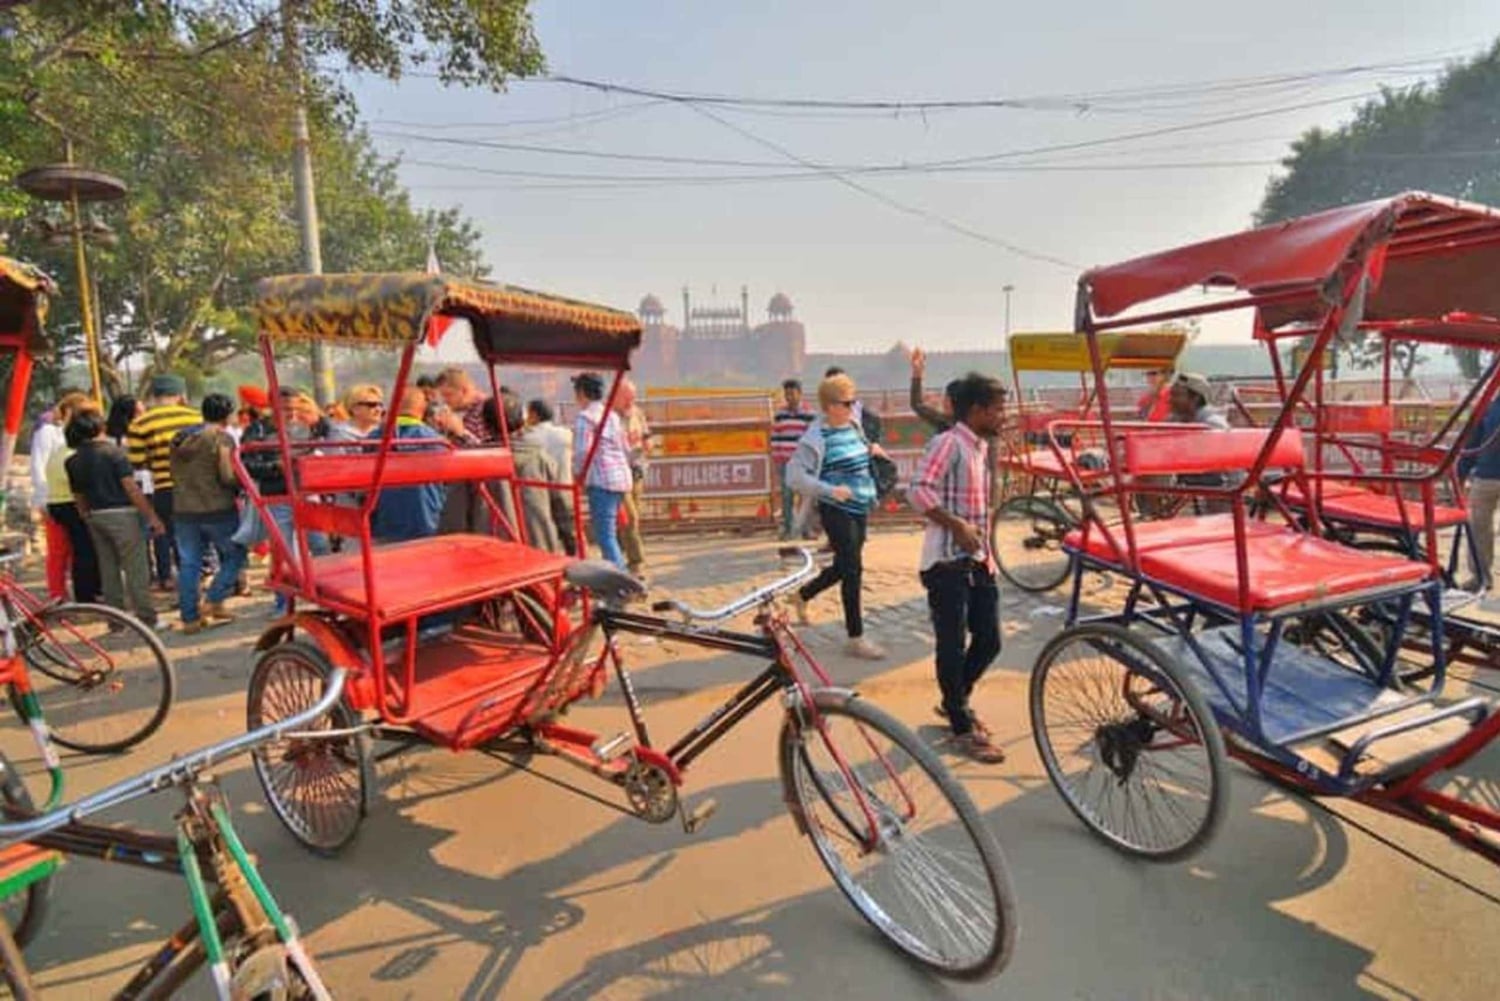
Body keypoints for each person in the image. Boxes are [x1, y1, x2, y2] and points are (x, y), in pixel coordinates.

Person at [909, 373, 1010, 764]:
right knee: (951, 644)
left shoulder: (982, 449)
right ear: (977, 410)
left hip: (978, 559)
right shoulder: (948, 443)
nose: (1002, 416)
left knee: (990, 640)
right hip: (946, 560)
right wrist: (956, 525)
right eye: (997, 409)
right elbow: (918, 490)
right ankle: (960, 723)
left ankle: (955, 703)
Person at [786, 373, 885, 661]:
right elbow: (794, 476)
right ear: (829, 406)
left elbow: (857, 458)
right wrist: (829, 489)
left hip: (860, 507)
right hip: (835, 510)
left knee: (844, 565)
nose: (853, 406)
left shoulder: (853, 426)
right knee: (853, 570)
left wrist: (871, 452)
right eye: (847, 402)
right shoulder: (815, 438)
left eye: (854, 401)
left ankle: (802, 595)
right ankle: (856, 638)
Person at [65, 408, 165, 628]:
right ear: (100, 427)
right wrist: (151, 516)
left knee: (108, 569)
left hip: (94, 515)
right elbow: (131, 488)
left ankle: (115, 621)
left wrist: (85, 515)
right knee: (135, 568)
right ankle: (147, 618)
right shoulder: (115, 453)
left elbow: (78, 495)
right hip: (122, 514)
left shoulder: (73, 461)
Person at [240, 387, 332, 614]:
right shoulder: (256, 430)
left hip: (304, 494)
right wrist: (276, 467)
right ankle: (283, 603)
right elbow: (247, 466)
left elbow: (319, 442)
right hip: (276, 496)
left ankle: (327, 593)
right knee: (284, 552)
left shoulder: (303, 428)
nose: (291, 413)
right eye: (285, 409)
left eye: (294, 408)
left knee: (320, 544)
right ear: (272, 407)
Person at [169, 393, 247, 634]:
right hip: (218, 508)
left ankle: (190, 618)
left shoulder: (179, 438)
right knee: (235, 556)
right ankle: (213, 599)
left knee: (190, 564)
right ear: (228, 415)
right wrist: (241, 485)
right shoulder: (221, 439)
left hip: (183, 509)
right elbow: (226, 475)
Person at [126, 374, 201, 592]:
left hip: (165, 489)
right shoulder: (196, 418)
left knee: (177, 542)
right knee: (198, 540)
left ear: (153, 395)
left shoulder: (140, 423)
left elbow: (138, 464)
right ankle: (200, 587)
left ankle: (186, 590)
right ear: (180, 395)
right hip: (199, 488)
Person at [40, 394, 101, 603]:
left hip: (58, 502)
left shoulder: (62, 448)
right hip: (68, 502)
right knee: (80, 550)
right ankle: (83, 596)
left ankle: (74, 593)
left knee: (74, 550)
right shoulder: (67, 449)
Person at [371, 387, 448, 544]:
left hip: (384, 526)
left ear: (394, 407)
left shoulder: (372, 440)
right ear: (422, 410)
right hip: (428, 525)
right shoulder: (437, 442)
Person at [30, 392, 88, 601]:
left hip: (73, 496)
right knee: (58, 550)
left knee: (77, 549)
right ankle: (57, 594)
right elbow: (38, 465)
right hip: (54, 498)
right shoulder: (48, 432)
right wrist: (43, 498)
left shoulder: (75, 433)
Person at [572, 372, 632, 568]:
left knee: (605, 537)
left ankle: (621, 585)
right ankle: (620, 577)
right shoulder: (611, 415)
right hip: (620, 478)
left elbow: (582, 453)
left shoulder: (585, 418)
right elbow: (625, 447)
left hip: (602, 481)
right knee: (610, 534)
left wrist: (577, 476)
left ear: (581, 393)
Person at [488, 393, 563, 552]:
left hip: (491, 552)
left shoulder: (473, 463)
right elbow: (561, 502)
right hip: (539, 544)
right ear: (521, 422)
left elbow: (454, 518)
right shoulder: (540, 457)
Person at [1460, 393, 1500, 594]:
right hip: (1486, 475)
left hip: (1487, 473)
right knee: (1478, 527)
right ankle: (1479, 576)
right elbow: (1472, 443)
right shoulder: (1487, 407)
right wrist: (1461, 473)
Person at [526, 399, 577, 555]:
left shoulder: (530, 437)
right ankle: (576, 559)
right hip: (565, 486)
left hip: (542, 491)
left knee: (547, 530)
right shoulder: (566, 434)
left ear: (534, 414)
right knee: (569, 530)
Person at [614, 377, 651, 577]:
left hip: (636, 470)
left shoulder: (637, 412)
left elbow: (645, 435)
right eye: (626, 398)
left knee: (630, 517)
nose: (630, 402)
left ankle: (619, 556)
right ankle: (636, 562)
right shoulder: (608, 418)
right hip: (618, 473)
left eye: (632, 398)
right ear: (615, 397)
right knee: (630, 518)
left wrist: (647, 446)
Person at [772, 379, 817, 540]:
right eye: (787, 394)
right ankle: (788, 530)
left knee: (806, 496)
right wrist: (777, 459)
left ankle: (806, 529)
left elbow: (813, 438)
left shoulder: (809, 414)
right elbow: (775, 438)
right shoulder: (780, 414)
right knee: (787, 497)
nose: (789, 397)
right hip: (785, 462)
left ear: (800, 394)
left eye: (792, 393)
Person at [909, 347, 962, 434]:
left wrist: (917, 373)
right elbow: (917, 404)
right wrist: (917, 372)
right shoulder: (974, 425)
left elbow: (917, 404)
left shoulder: (946, 423)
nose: (943, 402)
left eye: (946, 399)